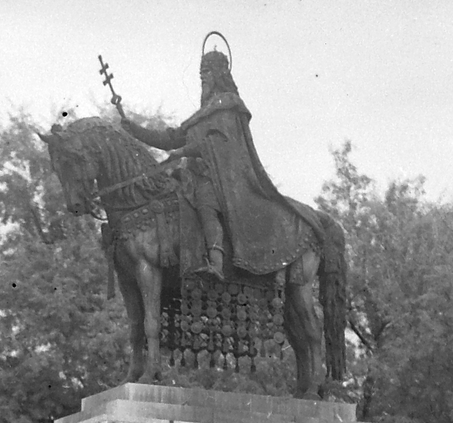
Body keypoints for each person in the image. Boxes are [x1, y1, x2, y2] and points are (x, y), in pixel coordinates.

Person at [113, 47, 310, 280]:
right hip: (196, 176)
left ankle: (216, 263)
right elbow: (171, 138)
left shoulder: (229, 105)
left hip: (224, 180)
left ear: (219, 74)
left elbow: (219, 144)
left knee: (206, 204)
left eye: (206, 71)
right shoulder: (202, 113)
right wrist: (133, 129)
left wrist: (184, 151)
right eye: (200, 73)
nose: (202, 77)